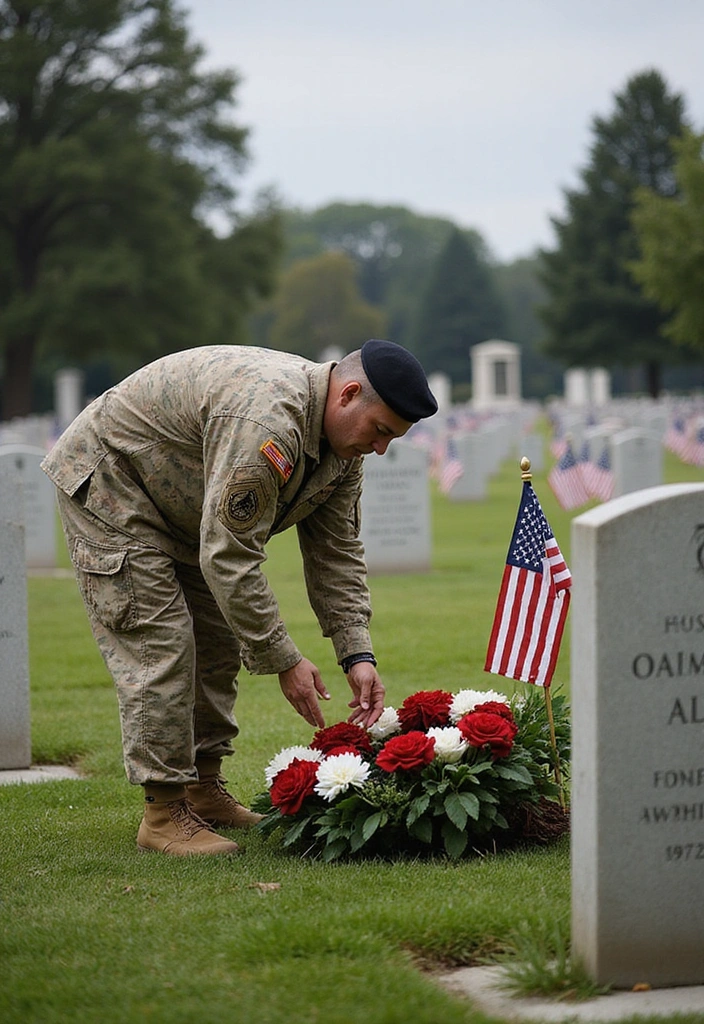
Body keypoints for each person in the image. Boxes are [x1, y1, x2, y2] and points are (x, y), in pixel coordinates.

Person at [42, 340, 438, 856]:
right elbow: (229, 555)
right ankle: (163, 813)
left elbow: (336, 553)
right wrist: (284, 660)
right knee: (162, 644)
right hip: (114, 487)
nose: (380, 447)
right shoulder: (270, 424)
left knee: (220, 640)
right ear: (349, 394)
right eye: (380, 431)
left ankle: (202, 789)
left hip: (181, 509)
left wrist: (356, 652)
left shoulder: (342, 454)